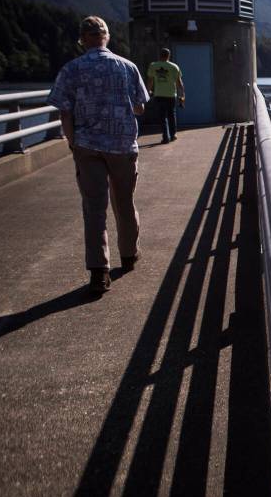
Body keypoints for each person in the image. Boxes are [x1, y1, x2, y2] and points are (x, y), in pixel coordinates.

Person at [47, 16, 150, 294]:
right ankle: (128, 256)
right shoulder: (127, 67)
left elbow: (64, 112)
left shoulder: (71, 69)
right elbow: (140, 107)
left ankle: (99, 273)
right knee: (124, 202)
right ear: (107, 37)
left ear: (83, 39)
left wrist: (73, 143)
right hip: (122, 146)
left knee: (94, 209)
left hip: (87, 147)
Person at [146, 48, 185, 143]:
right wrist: (183, 94)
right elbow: (179, 83)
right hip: (171, 95)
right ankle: (173, 134)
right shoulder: (174, 66)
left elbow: (150, 81)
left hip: (159, 94)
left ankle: (165, 137)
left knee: (162, 117)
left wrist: (148, 91)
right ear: (169, 56)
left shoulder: (153, 66)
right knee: (172, 114)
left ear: (160, 55)